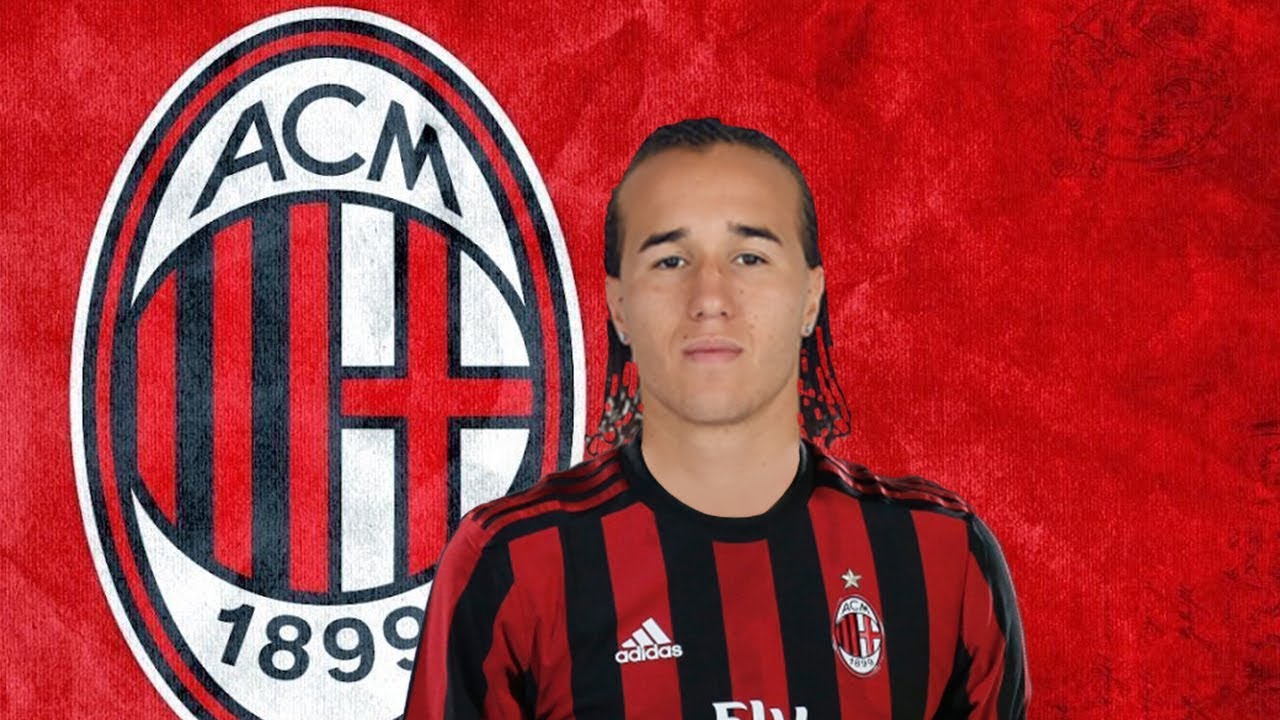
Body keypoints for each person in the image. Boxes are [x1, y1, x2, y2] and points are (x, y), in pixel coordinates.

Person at [403, 118, 1030, 719]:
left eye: (749, 257)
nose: (709, 299)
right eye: (670, 261)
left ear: (810, 297)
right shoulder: (514, 563)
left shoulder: (940, 555)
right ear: (618, 306)